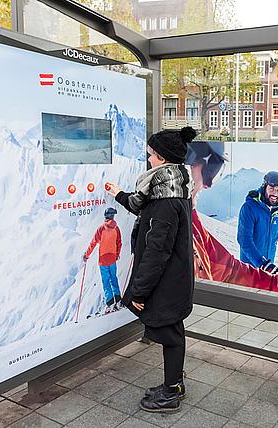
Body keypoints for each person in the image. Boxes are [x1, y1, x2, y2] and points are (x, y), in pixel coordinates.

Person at [106, 127, 195, 413]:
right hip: (175, 278)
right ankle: (174, 383)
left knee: (169, 334)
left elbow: (157, 251)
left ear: (162, 158)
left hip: (166, 282)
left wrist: (139, 291)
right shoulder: (173, 189)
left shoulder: (166, 202)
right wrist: (119, 194)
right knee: (174, 331)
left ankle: (170, 392)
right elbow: (144, 208)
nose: (149, 160)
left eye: (151, 155)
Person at [185, 142, 278, 297]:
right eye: (212, 169)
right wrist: (262, 263)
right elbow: (244, 241)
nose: (209, 184)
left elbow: (229, 270)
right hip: (253, 266)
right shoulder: (250, 208)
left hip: (260, 274)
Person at [83, 207, 123, 314]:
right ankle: (118, 301)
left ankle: (110, 304)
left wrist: (86, 255)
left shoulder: (101, 228)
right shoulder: (116, 228)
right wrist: (116, 255)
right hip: (113, 259)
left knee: (106, 282)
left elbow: (93, 243)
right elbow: (119, 243)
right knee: (114, 279)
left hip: (103, 260)